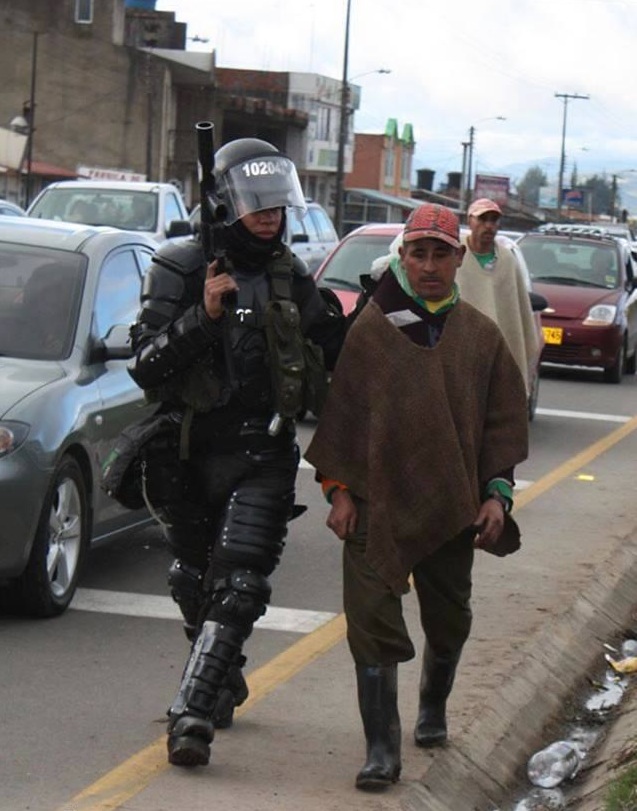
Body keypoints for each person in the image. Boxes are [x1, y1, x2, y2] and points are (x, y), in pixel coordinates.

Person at [127, 137, 348, 769]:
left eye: (278, 204)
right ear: (225, 202)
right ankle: (222, 676)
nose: (270, 215)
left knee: (242, 584)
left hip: (264, 450)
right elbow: (145, 367)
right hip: (188, 449)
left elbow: (333, 347)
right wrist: (203, 313)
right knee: (192, 579)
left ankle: (190, 714)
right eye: (257, 204)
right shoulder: (179, 264)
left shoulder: (287, 272)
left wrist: (381, 309)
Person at [304, 202, 529, 791]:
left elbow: (501, 425)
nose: (429, 266)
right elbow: (343, 420)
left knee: (449, 619)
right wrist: (339, 490)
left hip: (453, 507)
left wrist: (496, 495)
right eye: (418, 253)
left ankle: (433, 703)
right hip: (374, 504)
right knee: (371, 621)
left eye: (440, 254)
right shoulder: (372, 330)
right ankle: (381, 749)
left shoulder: (480, 338)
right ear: (401, 257)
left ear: (459, 258)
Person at [456, 198, 539, 398]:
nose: (489, 226)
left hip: (496, 353)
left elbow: (515, 309)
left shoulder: (507, 259)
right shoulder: (456, 254)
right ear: (470, 221)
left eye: (494, 220)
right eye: (483, 219)